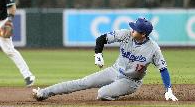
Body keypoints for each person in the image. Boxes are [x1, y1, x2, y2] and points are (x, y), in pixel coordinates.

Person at [33, 18, 178, 101]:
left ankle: (114, 95)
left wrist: (168, 90)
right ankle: (43, 93)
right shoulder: (125, 34)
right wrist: (98, 54)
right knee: (83, 82)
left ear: (143, 34)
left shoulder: (153, 48)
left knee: (102, 93)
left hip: (130, 81)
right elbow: (101, 38)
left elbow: (163, 69)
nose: (132, 29)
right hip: (114, 70)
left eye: (135, 29)